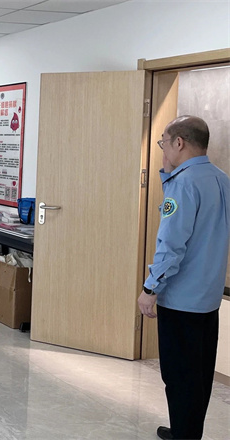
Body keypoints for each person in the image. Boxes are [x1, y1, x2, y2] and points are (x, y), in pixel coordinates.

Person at [137, 116, 230, 440]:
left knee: (179, 376)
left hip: (182, 300)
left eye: (163, 143)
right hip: (208, 297)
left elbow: (172, 245)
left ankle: (185, 435)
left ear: (179, 142)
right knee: (199, 374)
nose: (162, 150)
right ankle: (186, 431)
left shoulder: (184, 183)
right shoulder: (221, 179)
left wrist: (150, 288)